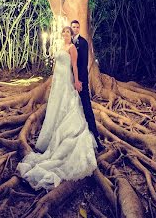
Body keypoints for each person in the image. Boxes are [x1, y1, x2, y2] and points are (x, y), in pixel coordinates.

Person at [17, 26, 97, 190]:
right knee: (55, 109)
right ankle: (50, 138)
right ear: (62, 35)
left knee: (67, 108)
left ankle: (66, 135)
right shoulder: (60, 47)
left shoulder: (72, 47)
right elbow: (56, 66)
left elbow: (74, 66)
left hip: (67, 81)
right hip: (58, 83)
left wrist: (77, 81)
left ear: (71, 34)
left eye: (68, 32)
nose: (66, 34)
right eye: (64, 32)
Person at [70, 20, 103, 151]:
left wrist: (80, 81)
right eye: (73, 27)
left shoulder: (83, 42)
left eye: (78, 27)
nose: (76, 29)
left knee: (86, 107)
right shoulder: (68, 42)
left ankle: (95, 138)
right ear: (70, 28)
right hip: (69, 79)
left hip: (81, 80)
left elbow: (83, 64)